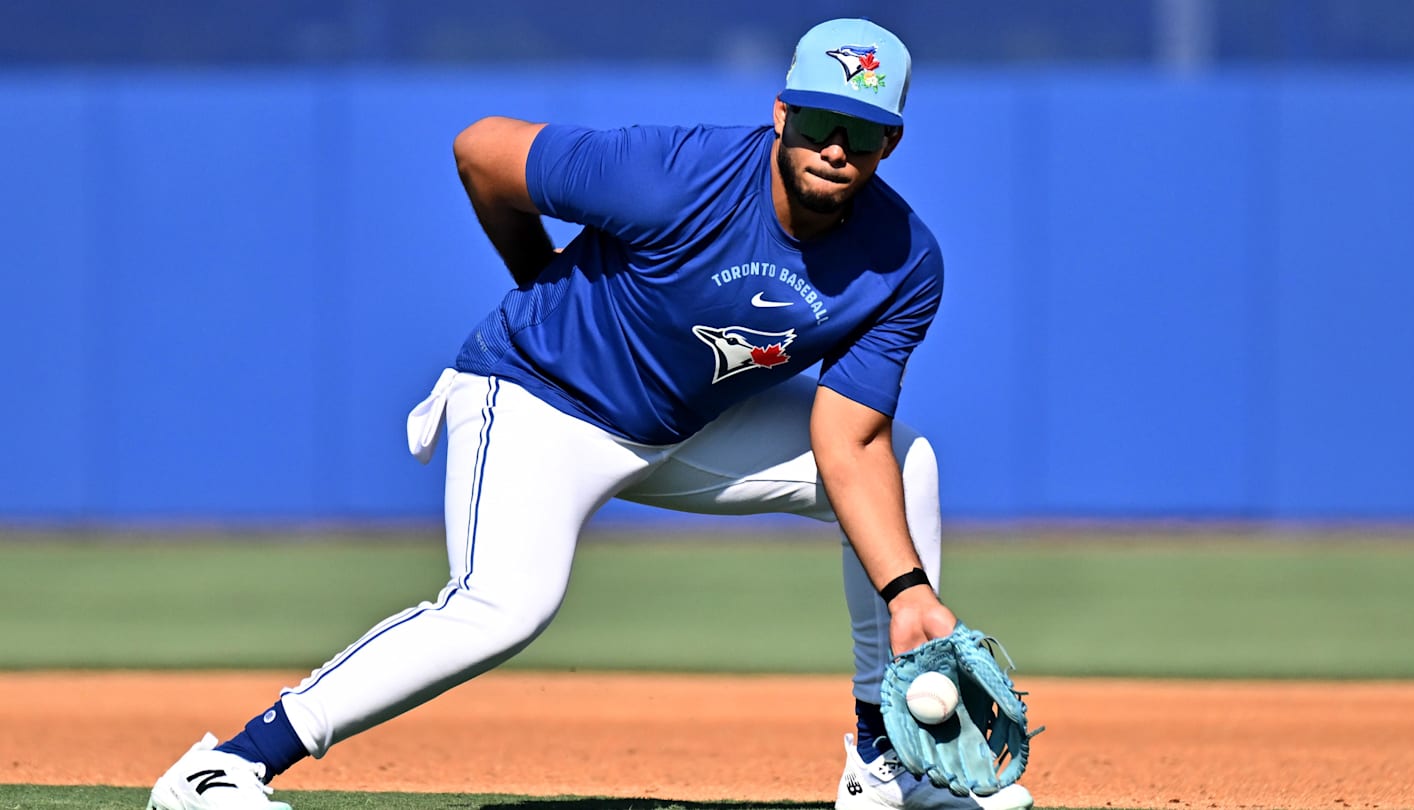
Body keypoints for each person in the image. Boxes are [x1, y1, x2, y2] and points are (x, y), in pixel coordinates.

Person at [145, 17, 1033, 810]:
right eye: (820, 120)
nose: (838, 146)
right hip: (538, 397)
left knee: (905, 461)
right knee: (503, 606)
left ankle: (886, 764)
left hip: (683, 428)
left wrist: (909, 592)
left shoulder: (904, 261)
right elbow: (481, 149)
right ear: (780, 116)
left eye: (865, 131)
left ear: (891, 145)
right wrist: (536, 276)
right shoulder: (670, 176)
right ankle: (222, 769)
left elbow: (849, 439)